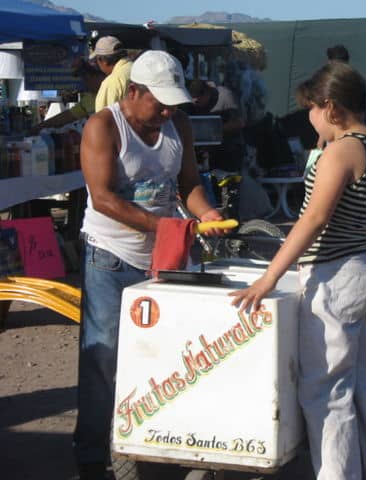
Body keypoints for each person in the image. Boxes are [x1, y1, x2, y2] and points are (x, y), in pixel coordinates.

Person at [229, 61, 366, 480]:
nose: (307, 117)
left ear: (328, 107)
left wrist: (269, 276)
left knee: (327, 394)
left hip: (338, 279)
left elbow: (313, 219)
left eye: (310, 108)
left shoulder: (342, 150)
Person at [74, 50, 226, 480]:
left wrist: (206, 213)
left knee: (171, 354)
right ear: (134, 91)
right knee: (104, 359)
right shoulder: (104, 126)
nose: (165, 110)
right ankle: (90, 456)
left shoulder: (178, 124)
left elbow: (189, 183)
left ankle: (162, 442)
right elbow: (102, 197)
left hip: (166, 257)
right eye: (158, 101)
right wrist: (164, 225)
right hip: (111, 256)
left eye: (171, 103)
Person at [188, 78, 246, 172]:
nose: (196, 105)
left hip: (230, 153)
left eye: (198, 101)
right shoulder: (198, 105)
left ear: (206, 93)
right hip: (211, 155)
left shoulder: (226, 96)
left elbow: (240, 122)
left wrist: (215, 129)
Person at [31, 60, 105, 132]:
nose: (85, 83)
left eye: (86, 78)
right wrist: (41, 126)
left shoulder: (112, 89)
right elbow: (67, 116)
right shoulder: (88, 98)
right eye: (83, 78)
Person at [90, 36, 133, 111]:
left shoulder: (112, 82)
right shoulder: (136, 68)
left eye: (96, 60)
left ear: (103, 61)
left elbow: (103, 119)